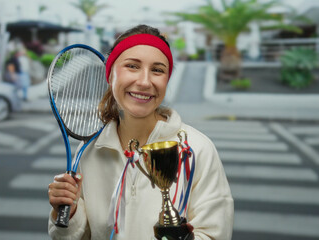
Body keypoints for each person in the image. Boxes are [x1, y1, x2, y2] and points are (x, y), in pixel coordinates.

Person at [47, 24, 234, 239]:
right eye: (132, 66)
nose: (145, 82)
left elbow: (214, 234)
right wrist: (68, 213)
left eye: (157, 70)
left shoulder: (198, 149)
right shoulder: (88, 151)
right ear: (110, 75)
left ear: (166, 80)